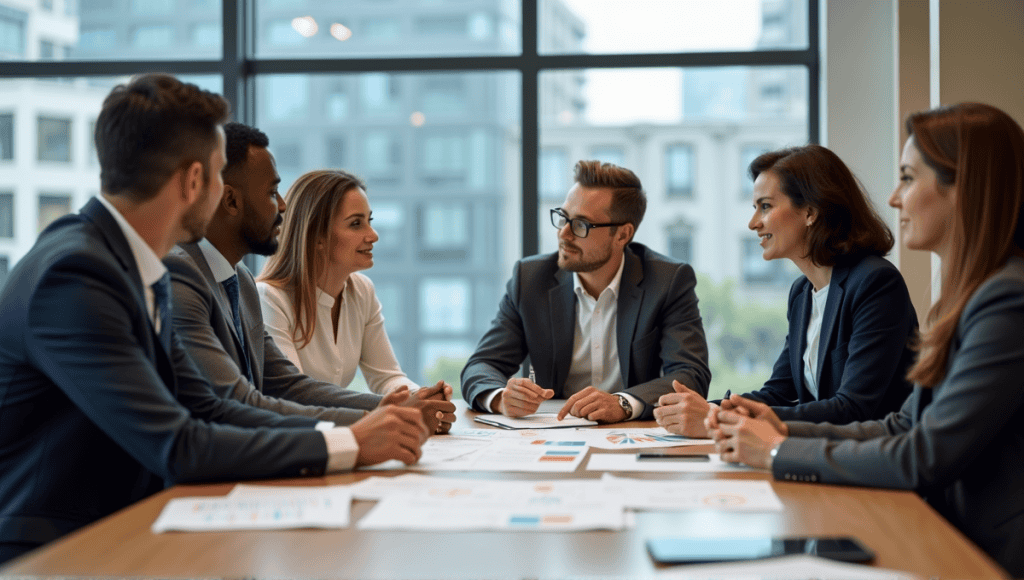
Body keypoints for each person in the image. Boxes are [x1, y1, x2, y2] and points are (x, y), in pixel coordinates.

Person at [0, 75, 428, 564]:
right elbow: (178, 444)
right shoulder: (75, 274)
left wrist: (367, 428)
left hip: (131, 526)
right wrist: (347, 443)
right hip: (56, 547)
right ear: (194, 181)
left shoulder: (140, 266)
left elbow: (210, 406)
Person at [707, 103, 1024, 576]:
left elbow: (924, 453)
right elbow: (903, 426)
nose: (894, 197)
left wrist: (775, 450)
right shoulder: (968, 296)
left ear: (965, 187)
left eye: (908, 178)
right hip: (942, 529)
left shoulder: (1006, 301)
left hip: (985, 552)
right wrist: (769, 426)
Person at [164, 122, 455, 433]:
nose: (283, 206)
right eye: (272, 192)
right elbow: (240, 401)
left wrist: (396, 406)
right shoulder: (182, 277)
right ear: (232, 201)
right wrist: (384, 420)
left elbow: (288, 386)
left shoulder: (241, 281)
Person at [655, 145, 917, 438]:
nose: (754, 223)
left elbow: (853, 409)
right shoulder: (802, 293)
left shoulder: (875, 283)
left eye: (765, 206)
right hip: (821, 456)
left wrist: (715, 417)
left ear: (810, 212)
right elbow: (779, 392)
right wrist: (700, 409)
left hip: (873, 463)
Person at [461, 160, 710, 423]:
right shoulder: (531, 279)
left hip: (632, 434)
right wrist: (501, 398)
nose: (564, 234)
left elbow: (689, 374)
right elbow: (481, 365)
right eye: (563, 217)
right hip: (551, 432)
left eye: (581, 225)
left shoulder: (667, 281)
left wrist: (623, 403)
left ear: (623, 235)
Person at [257, 169, 453, 400]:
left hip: (338, 429)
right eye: (356, 224)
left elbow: (387, 377)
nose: (373, 235)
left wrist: (421, 397)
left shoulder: (362, 291)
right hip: (301, 434)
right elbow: (297, 395)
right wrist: (395, 408)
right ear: (316, 235)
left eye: (369, 221)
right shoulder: (269, 299)